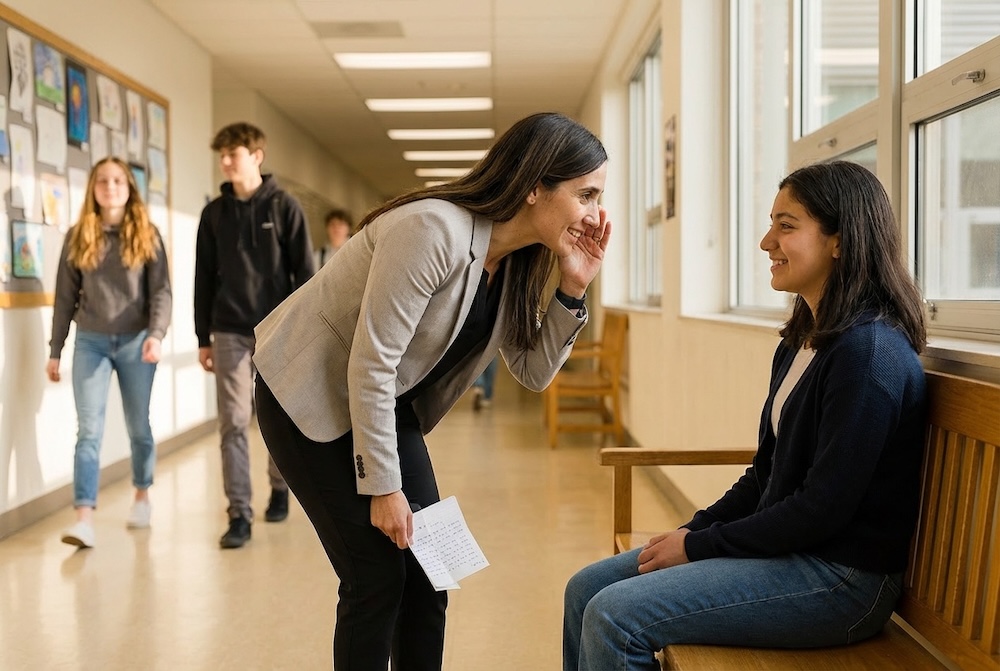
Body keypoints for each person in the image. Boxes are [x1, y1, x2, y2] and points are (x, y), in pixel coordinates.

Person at [253, 111, 610, 670]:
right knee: (375, 576)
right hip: (307, 395)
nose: (594, 215)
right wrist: (385, 489)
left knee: (429, 572)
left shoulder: (514, 262)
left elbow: (532, 372)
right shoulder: (432, 229)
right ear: (535, 186)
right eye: (585, 195)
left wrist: (572, 287)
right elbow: (371, 362)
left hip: (384, 404)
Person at [563, 161, 928, 671]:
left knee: (614, 616)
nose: (765, 242)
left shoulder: (868, 355)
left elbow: (821, 510)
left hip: (840, 578)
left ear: (840, 241)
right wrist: (692, 532)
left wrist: (699, 547)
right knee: (585, 589)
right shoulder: (803, 341)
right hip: (791, 552)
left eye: (786, 226)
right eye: (770, 224)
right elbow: (765, 474)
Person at [194, 121, 315, 549]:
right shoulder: (214, 214)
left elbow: (306, 276)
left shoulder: (285, 207)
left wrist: (305, 333)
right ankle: (238, 513)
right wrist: (202, 337)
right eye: (222, 156)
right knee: (232, 421)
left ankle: (279, 488)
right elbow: (202, 277)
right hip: (228, 330)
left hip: (278, 329)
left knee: (276, 418)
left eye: (234, 154)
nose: (226, 162)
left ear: (256, 156)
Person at [48, 157, 172, 549]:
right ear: (93, 188)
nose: (110, 186)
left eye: (118, 180)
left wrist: (156, 335)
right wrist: (55, 350)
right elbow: (64, 298)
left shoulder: (147, 234)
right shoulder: (78, 235)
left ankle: (142, 495)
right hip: (91, 341)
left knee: (139, 426)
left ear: (129, 187)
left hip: (137, 342)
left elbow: (161, 292)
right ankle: (84, 518)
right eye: (102, 180)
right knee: (88, 430)